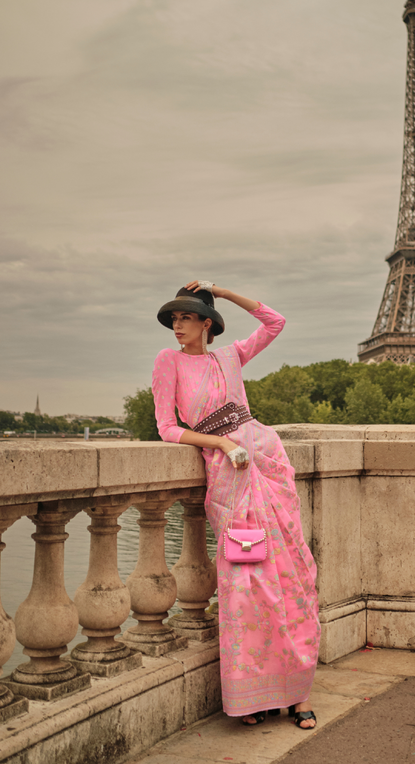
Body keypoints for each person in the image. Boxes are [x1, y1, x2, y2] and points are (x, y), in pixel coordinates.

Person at [152, 281, 320, 729]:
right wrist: (222, 444)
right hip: (229, 471)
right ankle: (255, 697)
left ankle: (299, 694)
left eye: (187, 317)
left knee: (292, 578)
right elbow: (167, 427)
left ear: (207, 323)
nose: (177, 325)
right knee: (246, 585)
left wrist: (222, 292)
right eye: (174, 318)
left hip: (265, 457)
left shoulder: (231, 356)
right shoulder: (168, 361)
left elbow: (275, 322)